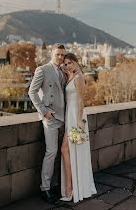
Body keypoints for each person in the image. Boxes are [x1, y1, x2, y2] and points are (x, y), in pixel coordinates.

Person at [28, 43, 67, 205]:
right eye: (58, 54)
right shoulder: (42, 69)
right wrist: (43, 111)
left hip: (64, 118)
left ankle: (58, 185)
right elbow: (32, 91)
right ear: (52, 54)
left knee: (63, 154)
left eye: (63, 55)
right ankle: (45, 188)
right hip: (50, 118)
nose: (60, 57)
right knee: (51, 153)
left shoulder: (65, 72)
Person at [60, 53, 97, 203]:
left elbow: (81, 100)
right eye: (65, 64)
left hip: (76, 117)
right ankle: (72, 186)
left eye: (70, 63)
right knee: (68, 150)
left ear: (76, 62)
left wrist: (80, 120)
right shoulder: (72, 76)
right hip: (70, 116)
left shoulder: (79, 77)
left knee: (65, 149)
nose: (67, 66)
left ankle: (71, 187)